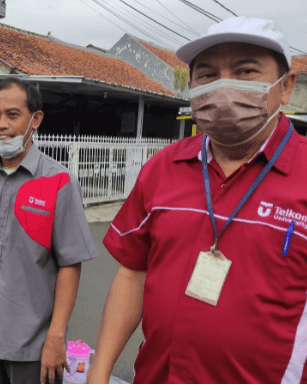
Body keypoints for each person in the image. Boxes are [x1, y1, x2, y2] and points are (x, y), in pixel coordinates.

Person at [87, 17, 307, 384]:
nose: (223, 86)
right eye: (207, 75)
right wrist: (99, 372)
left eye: (246, 70)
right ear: (191, 86)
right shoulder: (163, 168)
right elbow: (132, 274)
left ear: (286, 87)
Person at [0, 78, 98, 384]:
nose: (2, 125)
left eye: (13, 115)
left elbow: (70, 264)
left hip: (33, 345)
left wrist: (56, 335)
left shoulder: (59, 182)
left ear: (35, 119)